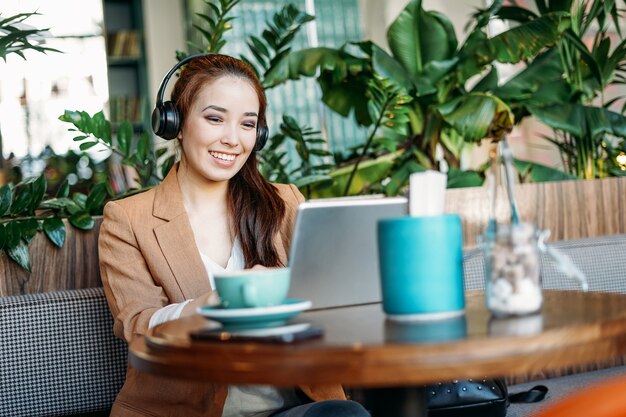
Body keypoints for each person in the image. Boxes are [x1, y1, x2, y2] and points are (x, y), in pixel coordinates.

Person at [98, 53, 370, 417]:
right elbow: (139, 326)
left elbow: (328, 305)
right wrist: (221, 302)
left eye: (247, 124)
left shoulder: (284, 202)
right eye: (214, 118)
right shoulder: (128, 220)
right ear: (174, 122)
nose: (232, 139)